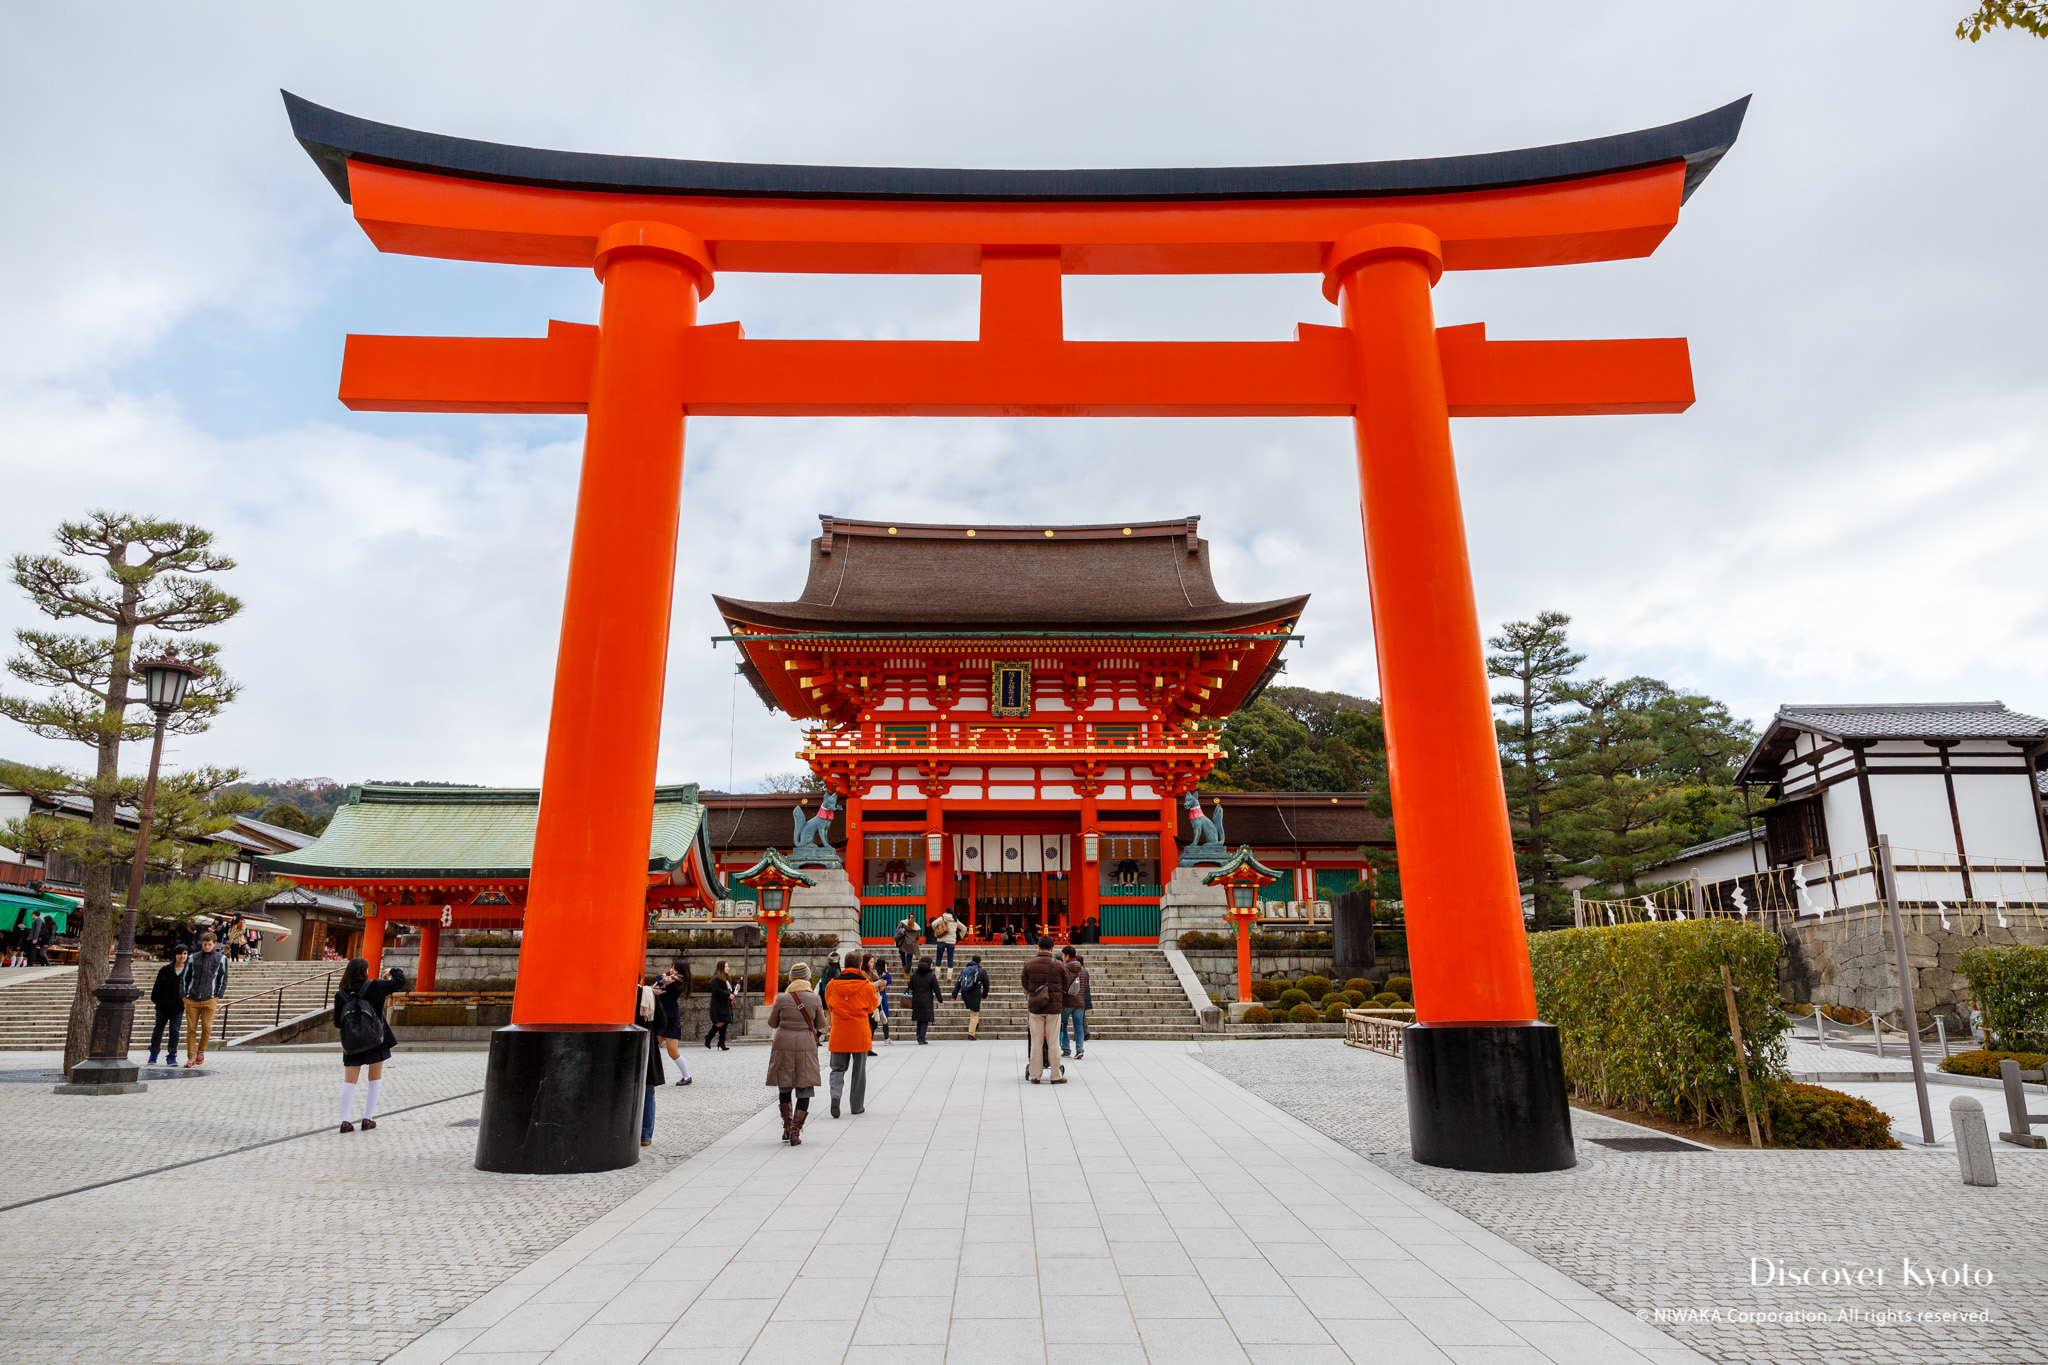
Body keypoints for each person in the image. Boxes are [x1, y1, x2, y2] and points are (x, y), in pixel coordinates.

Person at [334, 957, 409, 1132]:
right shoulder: (375, 986)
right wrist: (391, 970)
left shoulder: (341, 994)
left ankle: (345, 1121)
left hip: (352, 1042)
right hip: (375, 1040)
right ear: (365, 971)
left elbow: (338, 1023)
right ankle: (368, 1119)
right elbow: (401, 981)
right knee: (374, 1079)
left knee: (349, 1082)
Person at [765, 962, 825, 1144]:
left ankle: (786, 1126)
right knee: (804, 1086)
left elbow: (772, 1023)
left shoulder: (781, 999)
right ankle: (795, 1132)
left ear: (791, 979)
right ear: (808, 978)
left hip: (783, 1042)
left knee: (785, 1084)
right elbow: (821, 1024)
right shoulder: (814, 999)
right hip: (806, 1043)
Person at [821, 951, 879, 1118]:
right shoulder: (867, 986)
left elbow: (830, 1005)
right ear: (860, 966)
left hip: (839, 1031)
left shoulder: (832, 985)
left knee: (837, 1069)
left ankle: (835, 1096)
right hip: (859, 1031)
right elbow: (872, 1006)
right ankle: (856, 1106)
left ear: (844, 965)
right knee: (859, 1071)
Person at [181, 930, 229, 1067]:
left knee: (207, 1027)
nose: (206, 947)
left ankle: (200, 1051)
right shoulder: (193, 958)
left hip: (210, 997)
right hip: (192, 997)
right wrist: (184, 995)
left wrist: (218, 995)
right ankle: (191, 1057)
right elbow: (185, 977)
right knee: (191, 1028)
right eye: (204, 944)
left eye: (209, 944)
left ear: (214, 944)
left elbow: (223, 977)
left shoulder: (221, 959)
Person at [1021, 936, 1066, 1084]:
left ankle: (1035, 1074)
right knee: (1053, 1042)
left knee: (1036, 1042)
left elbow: (1025, 985)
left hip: (1035, 1007)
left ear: (1038, 947)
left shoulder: (1029, 964)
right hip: (1053, 1007)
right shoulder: (1059, 965)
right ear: (1053, 948)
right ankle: (1055, 1075)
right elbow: (1066, 985)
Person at [147, 944, 188, 1066]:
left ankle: (171, 1056)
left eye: (185, 953)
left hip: (178, 1007)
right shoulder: (165, 970)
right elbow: (157, 988)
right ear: (175, 955)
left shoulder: (188, 971)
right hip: (162, 1007)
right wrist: (158, 1001)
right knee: (158, 1030)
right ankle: (153, 1054)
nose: (182, 956)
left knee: (175, 1031)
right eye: (180, 953)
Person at [651, 965, 693, 1085]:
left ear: (681, 972)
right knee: (653, 1048)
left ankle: (687, 1076)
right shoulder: (670, 980)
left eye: (674, 969)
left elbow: (659, 979)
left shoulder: (675, 983)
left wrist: (665, 977)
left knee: (672, 1051)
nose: (671, 970)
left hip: (671, 1019)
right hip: (661, 1017)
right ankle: (649, 1076)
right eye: (671, 967)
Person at [1060, 947, 1091, 1060]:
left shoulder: (1063, 968)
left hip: (1066, 1001)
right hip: (1079, 1002)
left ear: (1067, 956)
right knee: (1079, 1026)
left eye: (1063, 955)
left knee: (1063, 1026)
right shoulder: (1082, 970)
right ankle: (1079, 1050)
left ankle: (1066, 1049)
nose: (1062, 957)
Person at [954, 955, 989, 1040]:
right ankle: (971, 1034)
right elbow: (986, 984)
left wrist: (954, 995)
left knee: (974, 1012)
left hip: (965, 993)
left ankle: (976, 1023)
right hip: (975, 993)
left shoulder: (965, 970)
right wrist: (984, 995)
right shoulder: (981, 971)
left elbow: (958, 983)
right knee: (974, 1013)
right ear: (980, 962)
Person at [909, 957, 941, 1044]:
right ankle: (922, 1038)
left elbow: (910, 986)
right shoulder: (931, 975)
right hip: (927, 999)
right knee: (925, 1019)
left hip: (916, 999)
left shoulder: (915, 974)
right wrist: (940, 999)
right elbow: (936, 988)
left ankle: (919, 1036)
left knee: (919, 1019)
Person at [705, 960, 733, 1050]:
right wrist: (728, 994)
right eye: (725, 967)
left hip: (725, 1003)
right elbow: (716, 991)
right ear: (721, 968)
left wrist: (733, 992)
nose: (728, 968)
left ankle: (721, 1042)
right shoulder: (716, 978)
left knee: (725, 1022)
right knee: (720, 1022)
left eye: (728, 966)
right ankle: (708, 1037)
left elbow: (728, 991)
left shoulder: (726, 979)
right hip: (718, 1004)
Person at [873, 957, 894, 1045]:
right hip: (882, 996)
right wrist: (887, 971)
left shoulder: (874, 974)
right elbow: (889, 982)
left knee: (873, 1018)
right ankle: (886, 1038)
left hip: (874, 996)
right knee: (884, 1017)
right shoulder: (885, 975)